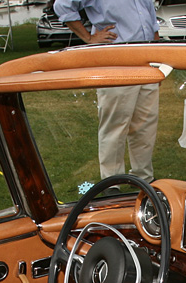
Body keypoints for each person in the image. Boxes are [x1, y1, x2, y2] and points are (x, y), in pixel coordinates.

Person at [55, 0, 159, 181]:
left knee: (145, 124)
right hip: (115, 59)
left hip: (147, 59)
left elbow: (151, 20)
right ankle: (112, 182)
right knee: (115, 124)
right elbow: (62, 5)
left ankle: (144, 179)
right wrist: (89, 38)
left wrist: (157, 57)